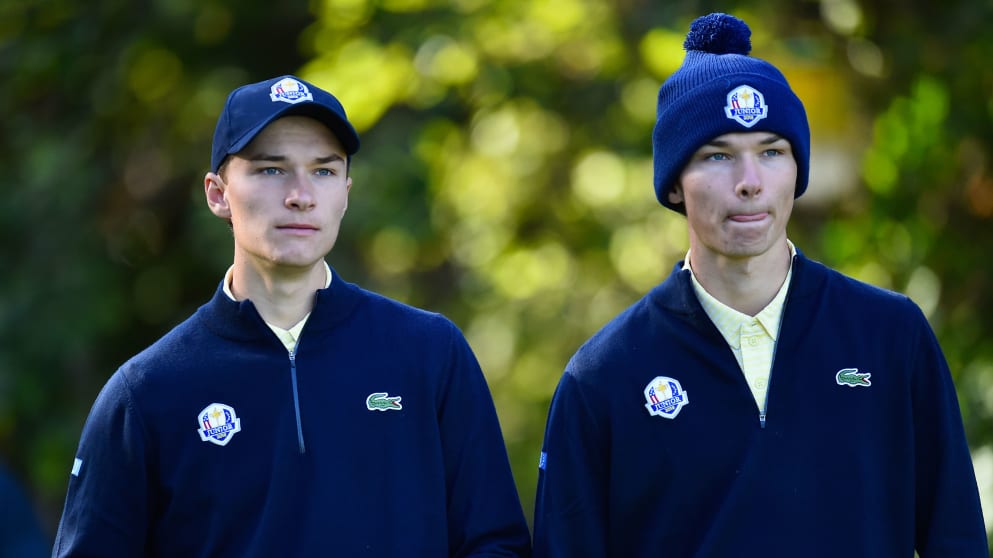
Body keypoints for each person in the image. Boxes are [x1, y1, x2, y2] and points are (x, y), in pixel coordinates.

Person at [532, 13, 988, 557]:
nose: (749, 182)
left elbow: (956, 540)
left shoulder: (891, 336)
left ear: (797, 170)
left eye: (772, 152)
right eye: (718, 155)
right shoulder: (603, 377)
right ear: (675, 184)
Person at [52, 75, 531, 557]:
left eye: (323, 171)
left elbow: (495, 544)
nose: (301, 195)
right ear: (218, 194)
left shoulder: (430, 354)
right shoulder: (146, 392)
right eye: (271, 170)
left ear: (345, 191)